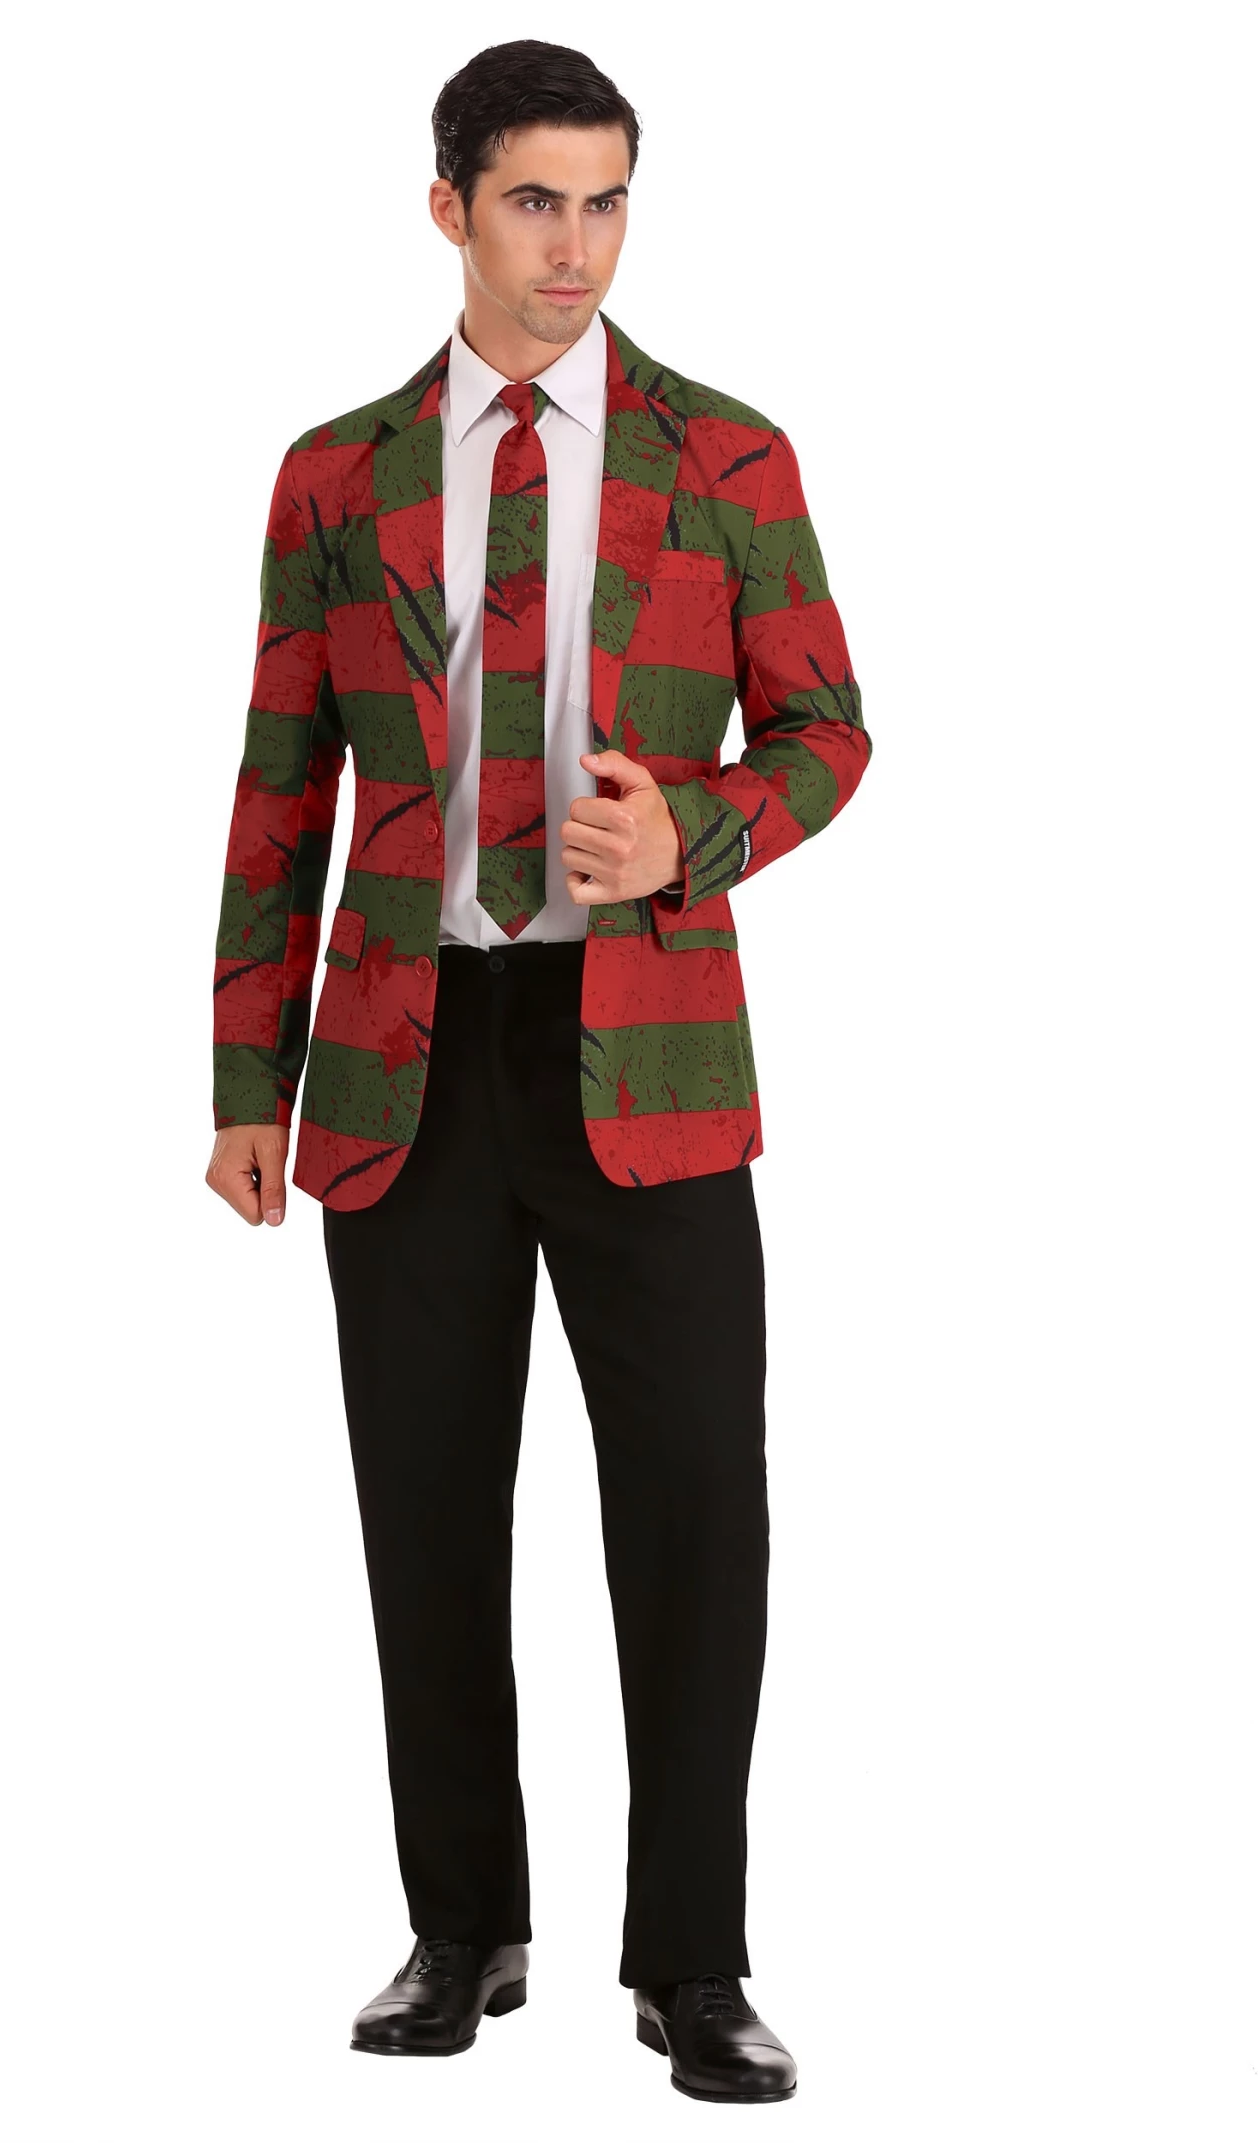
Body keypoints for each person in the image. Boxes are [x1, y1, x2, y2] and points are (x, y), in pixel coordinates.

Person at [206, 38, 872, 2106]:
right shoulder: (337, 475)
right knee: (425, 1509)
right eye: (532, 203)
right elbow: (279, 787)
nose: (573, 249)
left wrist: (697, 830)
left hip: (649, 1055)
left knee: (695, 1519)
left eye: (604, 204)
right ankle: (461, 1924)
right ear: (449, 210)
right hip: (403, 1061)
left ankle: (693, 1963)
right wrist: (244, 1078)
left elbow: (830, 731)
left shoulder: (726, 457)